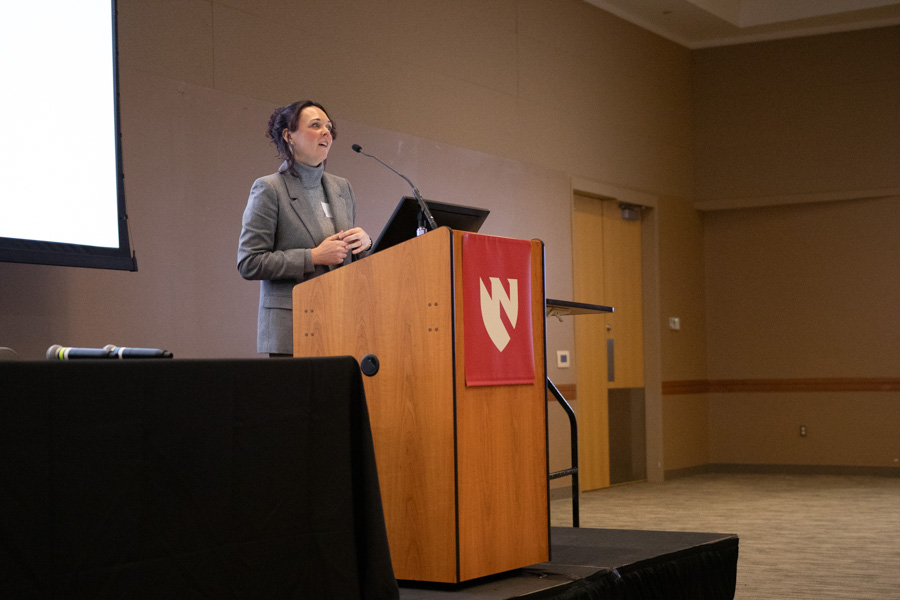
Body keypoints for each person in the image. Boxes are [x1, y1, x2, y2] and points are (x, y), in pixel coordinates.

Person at [238, 100, 372, 356]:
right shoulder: (269, 189)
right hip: (292, 330)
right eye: (315, 125)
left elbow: (345, 260)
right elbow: (249, 262)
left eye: (329, 127)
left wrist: (365, 244)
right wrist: (313, 257)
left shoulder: (343, 188)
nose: (326, 132)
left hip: (341, 326)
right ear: (289, 136)